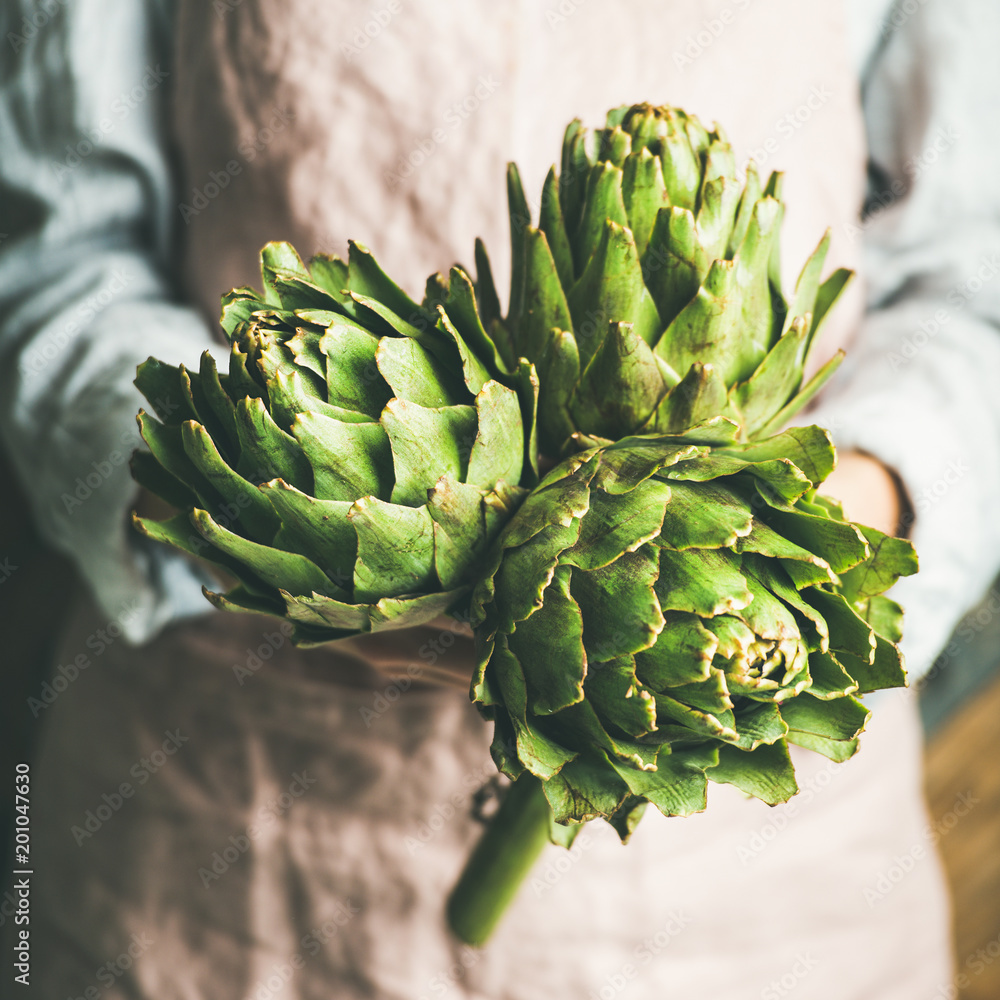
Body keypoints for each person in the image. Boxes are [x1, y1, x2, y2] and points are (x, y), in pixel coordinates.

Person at [2, 1, 999, 997]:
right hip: (222, 845)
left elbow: (977, 287)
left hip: (759, 900)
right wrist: (258, 521)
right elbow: (51, 266)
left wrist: (799, 539)